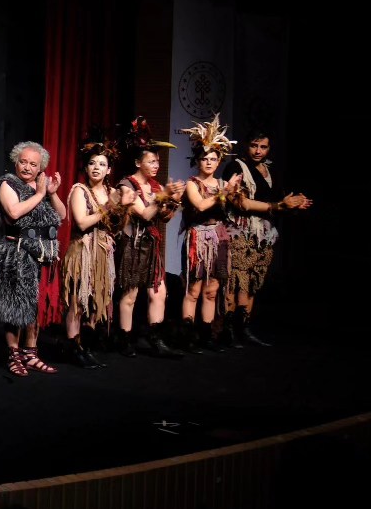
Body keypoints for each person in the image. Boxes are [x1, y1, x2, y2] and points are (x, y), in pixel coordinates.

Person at [220, 131, 312, 347]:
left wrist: (294, 204)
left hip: (264, 234)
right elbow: (242, 203)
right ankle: (228, 330)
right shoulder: (235, 167)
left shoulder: (269, 170)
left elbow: (279, 200)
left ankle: (244, 328)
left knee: (253, 281)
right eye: (254, 145)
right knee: (236, 280)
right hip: (241, 230)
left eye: (263, 147)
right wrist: (277, 206)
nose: (258, 151)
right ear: (246, 145)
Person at [0, 141, 66, 376]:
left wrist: (51, 194)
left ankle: (30, 354)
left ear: (40, 167)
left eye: (33, 164)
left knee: (34, 304)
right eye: (23, 162)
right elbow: (14, 212)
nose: (27, 167)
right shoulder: (7, 184)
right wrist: (41, 194)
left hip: (40, 255)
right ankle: (14, 355)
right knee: (15, 305)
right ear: (16, 162)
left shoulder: (40, 186)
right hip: (17, 253)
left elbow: (62, 216)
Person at [114, 118, 186, 358]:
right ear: (138, 162)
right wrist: (163, 196)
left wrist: (174, 202)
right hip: (133, 245)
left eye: (157, 161)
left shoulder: (155, 186)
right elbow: (144, 214)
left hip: (151, 245)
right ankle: (124, 338)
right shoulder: (127, 184)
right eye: (151, 161)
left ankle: (156, 338)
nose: (156, 165)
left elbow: (163, 218)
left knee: (159, 292)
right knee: (130, 295)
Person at [60, 141, 134, 367]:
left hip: (103, 251)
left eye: (102, 164)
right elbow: (82, 222)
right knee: (78, 301)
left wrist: (125, 208)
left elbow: (118, 227)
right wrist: (109, 207)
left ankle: (87, 344)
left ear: (109, 170)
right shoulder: (79, 190)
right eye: (92, 163)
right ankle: (73, 346)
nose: (96, 168)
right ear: (86, 167)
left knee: (96, 300)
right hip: (82, 251)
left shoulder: (112, 192)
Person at [179, 115, 237, 352]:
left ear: (219, 161)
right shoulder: (192, 183)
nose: (209, 162)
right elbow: (201, 206)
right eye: (205, 158)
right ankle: (188, 335)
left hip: (219, 237)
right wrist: (225, 193)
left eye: (213, 159)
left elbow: (239, 205)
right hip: (198, 238)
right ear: (198, 160)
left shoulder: (223, 184)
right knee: (193, 289)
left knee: (212, 290)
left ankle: (207, 334)